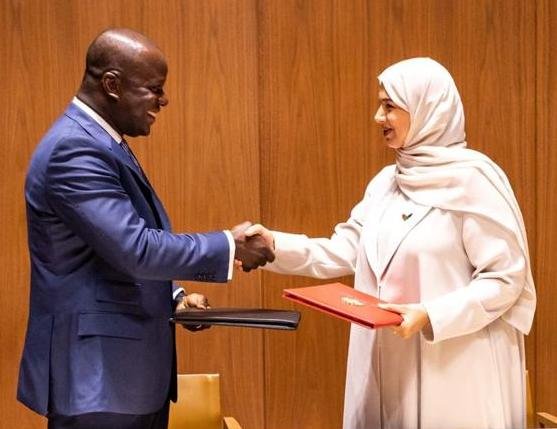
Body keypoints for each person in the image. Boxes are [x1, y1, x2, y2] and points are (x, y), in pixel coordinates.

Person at [246, 58, 536, 429]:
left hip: (450, 366)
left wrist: (431, 313)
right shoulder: (387, 181)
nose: (377, 117)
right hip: (385, 363)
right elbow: (347, 248)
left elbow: (505, 280)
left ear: (426, 108)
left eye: (388, 106)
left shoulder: (475, 180)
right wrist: (273, 245)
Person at [17, 28, 274, 429]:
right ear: (112, 85)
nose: (163, 99)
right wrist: (231, 246)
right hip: (98, 380)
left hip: (123, 377)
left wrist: (174, 296)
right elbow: (135, 248)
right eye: (154, 89)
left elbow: (106, 253)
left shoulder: (102, 142)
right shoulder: (75, 149)